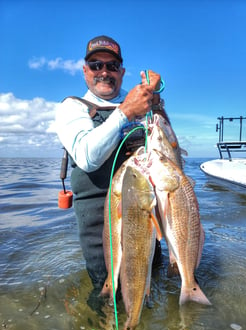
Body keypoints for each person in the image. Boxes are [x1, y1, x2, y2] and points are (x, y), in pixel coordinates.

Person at [56, 35, 166, 293]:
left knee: (152, 289)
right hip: (101, 230)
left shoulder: (138, 102)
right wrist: (126, 112)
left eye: (112, 66)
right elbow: (87, 157)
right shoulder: (72, 107)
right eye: (96, 65)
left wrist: (155, 99)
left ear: (122, 72)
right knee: (108, 297)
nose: (104, 72)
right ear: (85, 71)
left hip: (145, 218)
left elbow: (162, 140)